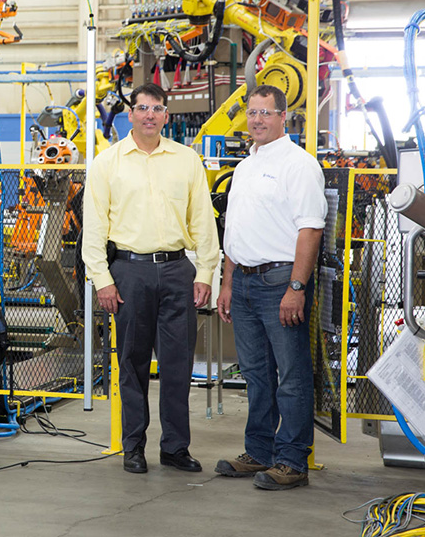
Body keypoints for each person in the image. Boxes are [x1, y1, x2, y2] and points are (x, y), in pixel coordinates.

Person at [82, 82, 219, 474]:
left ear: (165, 116)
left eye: (156, 109)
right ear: (131, 114)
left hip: (178, 270)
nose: (149, 115)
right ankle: (134, 447)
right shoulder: (107, 163)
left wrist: (206, 270)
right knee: (133, 364)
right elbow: (94, 229)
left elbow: (202, 221)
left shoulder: (186, 160)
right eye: (142, 108)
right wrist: (103, 280)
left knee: (177, 366)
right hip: (129, 272)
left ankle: (175, 448)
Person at [214, 84, 326, 490]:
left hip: (280, 282)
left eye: (266, 112)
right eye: (252, 112)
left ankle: (292, 461)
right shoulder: (245, 166)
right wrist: (226, 284)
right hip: (242, 282)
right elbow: (234, 231)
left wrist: (296, 287)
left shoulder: (299, 164)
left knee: (291, 376)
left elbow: (310, 229)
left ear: (283, 116)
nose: (257, 119)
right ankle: (259, 452)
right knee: (257, 374)